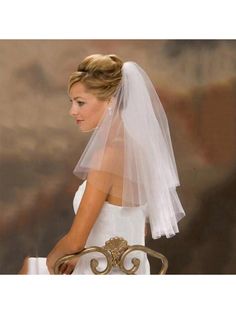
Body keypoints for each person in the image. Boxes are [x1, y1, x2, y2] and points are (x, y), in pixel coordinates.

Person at [19, 54, 185, 275]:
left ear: (110, 101)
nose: (73, 111)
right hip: (133, 269)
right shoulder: (139, 150)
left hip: (103, 272)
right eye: (72, 103)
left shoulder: (107, 157)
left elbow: (75, 242)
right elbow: (137, 227)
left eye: (80, 102)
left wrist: (51, 268)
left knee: (32, 270)